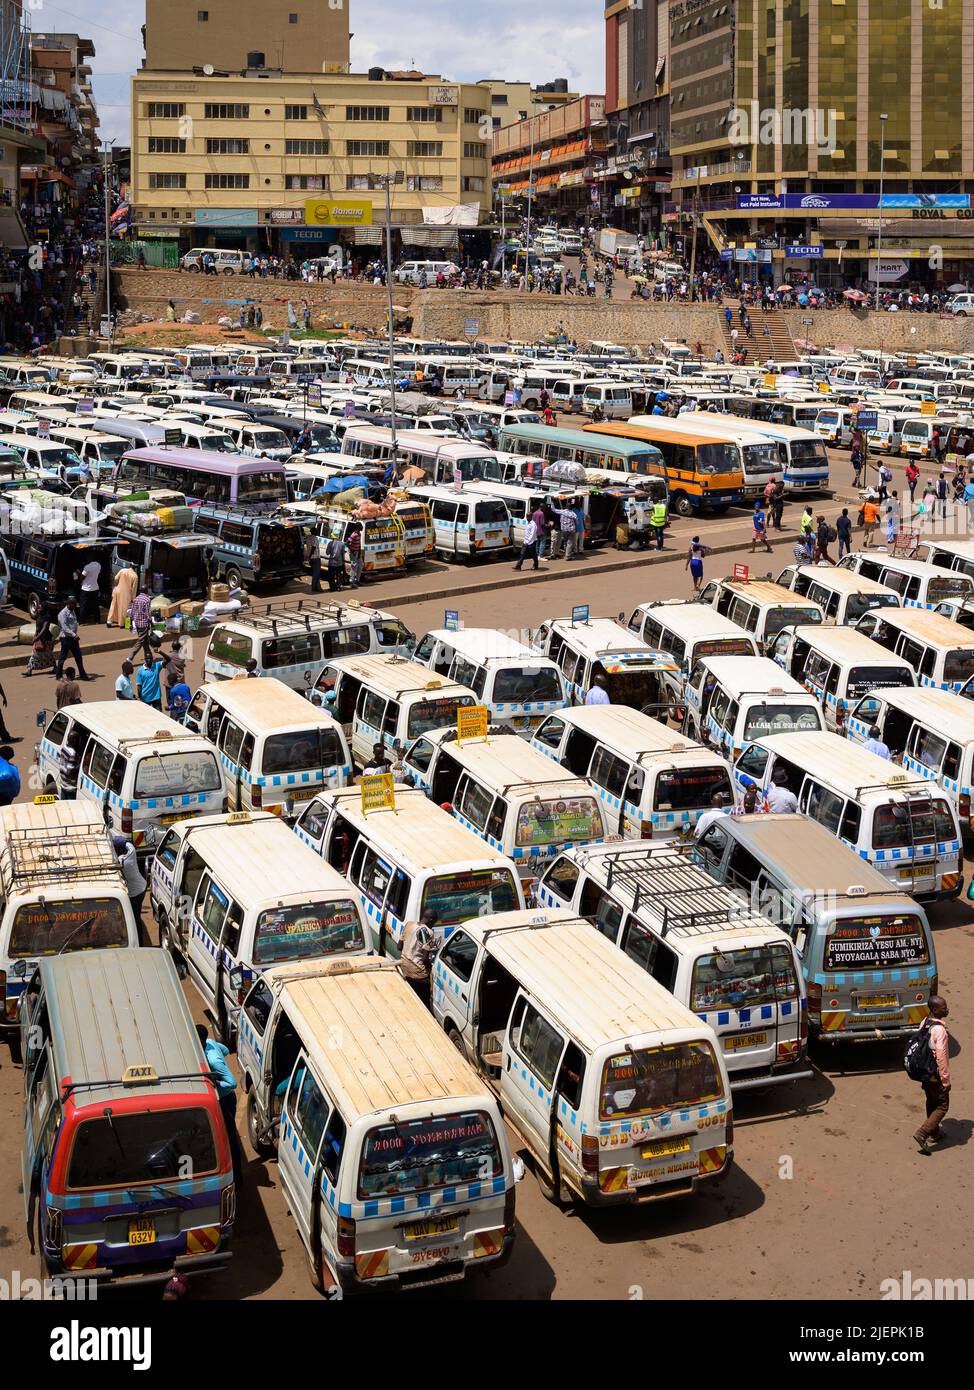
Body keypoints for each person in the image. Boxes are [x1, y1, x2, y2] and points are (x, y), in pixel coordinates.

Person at [196, 1024, 242, 1185]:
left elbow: (232, 1083)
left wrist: (214, 1085)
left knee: (230, 1140)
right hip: (224, 1099)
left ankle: (237, 1178)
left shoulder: (213, 1061)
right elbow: (225, 1050)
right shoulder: (210, 1042)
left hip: (225, 1101)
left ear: (201, 1040)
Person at [911, 995, 951, 1155]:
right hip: (935, 1074)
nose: (947, 1010)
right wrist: (946, 1081)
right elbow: (941, 1057)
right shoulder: (939, 1030)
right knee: (942, 1106)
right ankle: (922, 1133)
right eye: (944, 1007)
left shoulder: (925, 1022)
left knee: (931, 1101)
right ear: (935, 1009)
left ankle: (934, 1133)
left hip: (924, 1073)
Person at [398, 910, 440, 1005]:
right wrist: (430, 967)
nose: (433, 925)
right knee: (423, 1001)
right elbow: (425, 958)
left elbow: (399, 946)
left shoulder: (409, 924)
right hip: (418, 973)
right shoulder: (428, 933)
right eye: (434, 922)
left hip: (404, 966)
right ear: (430, 920)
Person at [113, 834, 148, 944]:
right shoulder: (131, 850)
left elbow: (114, 865)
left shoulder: (123, 863)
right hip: (142, 886)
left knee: (134, 918)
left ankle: (139, 943)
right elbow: (127, 842)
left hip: (135, 893)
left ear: (118, 849)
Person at [55, 597, 89, 680]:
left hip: (73, 638)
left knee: (78, 656)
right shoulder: (62, 614)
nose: (75, 606)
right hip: (66, 638)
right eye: (73, 604)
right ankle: (58, 675)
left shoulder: (72, 611)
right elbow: (65, 628)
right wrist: (74, 635)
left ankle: (82, 674)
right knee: (63, 657)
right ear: (69, 604)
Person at [107, 562, 139, 628]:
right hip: (126, 594)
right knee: (123, 608)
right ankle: (121, 623)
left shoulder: (122, 570)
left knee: (114, 605)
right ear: (135, 568)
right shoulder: (135, 576)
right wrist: (133, 599)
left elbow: (116, 578)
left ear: (130, 565)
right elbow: (134, 589)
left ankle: (109, 621)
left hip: (118, 590)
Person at [129, 587, 154, 661]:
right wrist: (151, 622)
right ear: (146, 591)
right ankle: (130, 657)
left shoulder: (135, 599)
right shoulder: (147, 600)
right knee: (140, 641)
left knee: (145, 640)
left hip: (137, 623)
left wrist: (132, 622)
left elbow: (132, 612)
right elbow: (147, 613)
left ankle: (149, 656)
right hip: (144, 623)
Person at [163, 640, 186, 709]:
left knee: (170, 702)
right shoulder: (182, 657)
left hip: (169, 683)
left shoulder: (167, 655)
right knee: (180, 702)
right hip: (180, 682)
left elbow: (164, 665)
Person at [78, 557, 101, 624]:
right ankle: (97, 620)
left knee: (83, 605)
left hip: (86, 589)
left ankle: (81, 621)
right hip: (95, 588)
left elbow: (82, 577)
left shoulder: (87, 567)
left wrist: (79, 579)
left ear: (89, 559)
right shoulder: (98, 565)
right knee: (95, 605)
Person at [58, 733, 79, 800]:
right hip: (70, 787)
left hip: (63, 783)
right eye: (77, 740)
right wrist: (79, 766)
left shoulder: (64, 748)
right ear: (74, 740)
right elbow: (70, 772)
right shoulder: (72, 753)